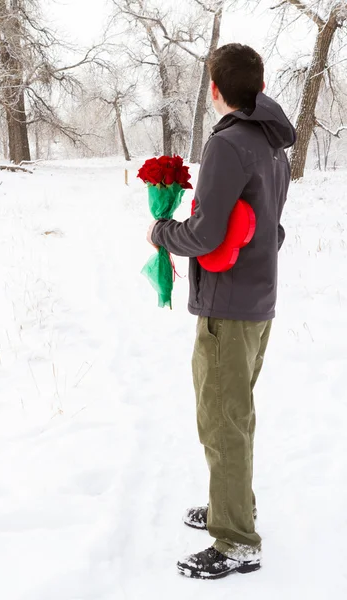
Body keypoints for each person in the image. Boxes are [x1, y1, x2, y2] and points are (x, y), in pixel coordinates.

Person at [147, 44, 296, 580]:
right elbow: (271, 226)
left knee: (222, 419)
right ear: (257, 85)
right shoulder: (270, 144)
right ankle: (231, 508)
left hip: (227, 310)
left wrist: (161, 232)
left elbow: (207, 233)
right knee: (237, 411)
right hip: (258, 302)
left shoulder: (229, 144)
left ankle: (235, 539)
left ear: (215, 89)